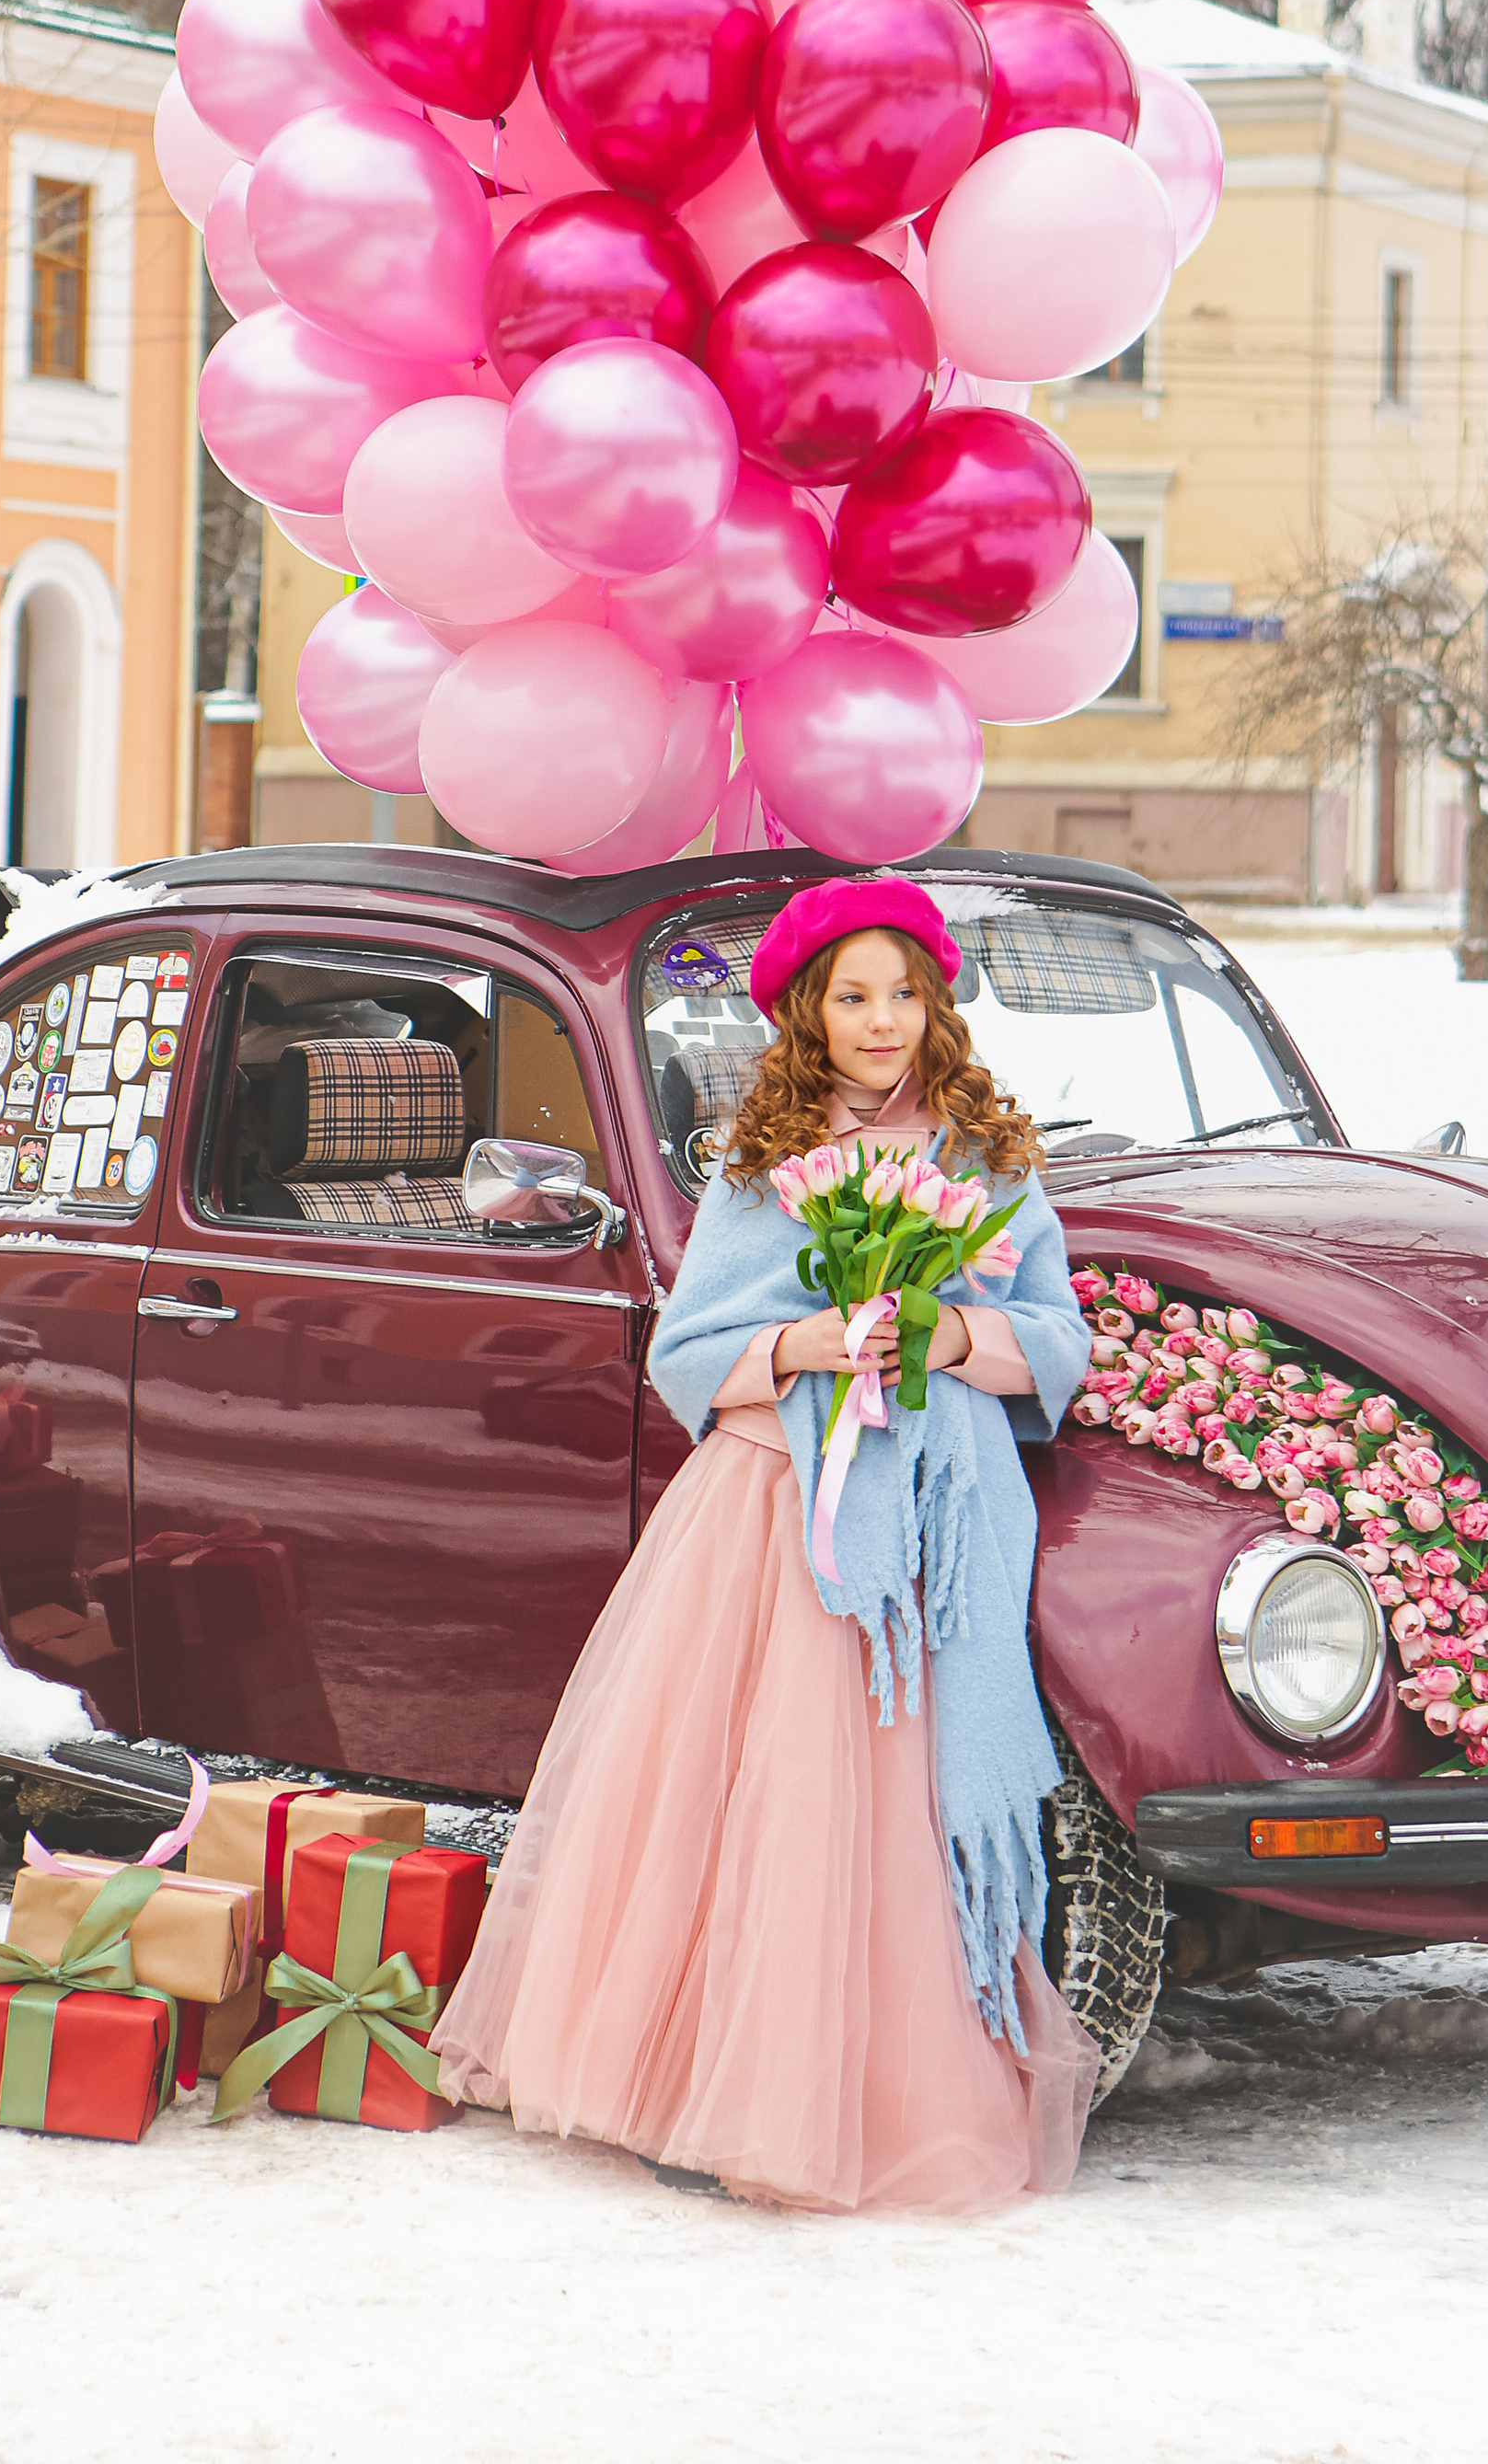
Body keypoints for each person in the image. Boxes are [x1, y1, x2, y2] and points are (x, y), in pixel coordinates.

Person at [433, 873, 1098, 2213]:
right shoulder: (763, 1165)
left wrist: (950, 1336)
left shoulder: (986, 1164)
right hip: (773, 1511)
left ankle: (883, 2090)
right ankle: (701, 2080)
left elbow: (1060, 1337)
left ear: (936, 1002)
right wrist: (811, 1343)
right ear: (805, 1011)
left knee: (890, 1819)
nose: (882, 1020)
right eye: (853, 997)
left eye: (904, 993)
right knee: (760, 1803)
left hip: (926, 1532)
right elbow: (690, 1356)